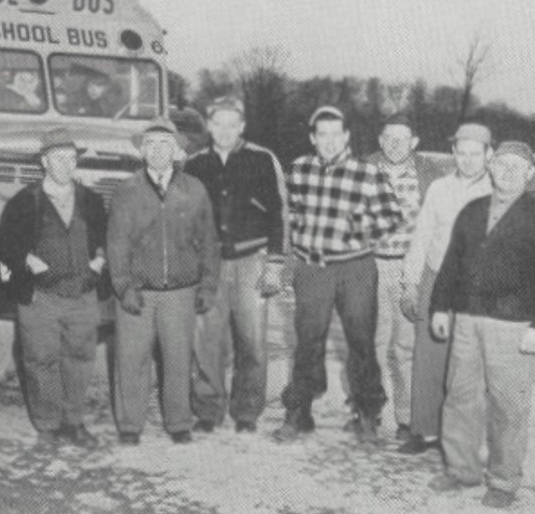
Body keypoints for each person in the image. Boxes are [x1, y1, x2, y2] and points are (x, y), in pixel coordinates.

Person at [427, 141, 535, 508]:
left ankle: (504, 482)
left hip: (513, 323)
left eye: (517, 167)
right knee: (460, 398)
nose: (507, 172)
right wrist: (440, 307)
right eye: (502, 164)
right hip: (466, 318)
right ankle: (460, 469)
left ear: (529, 174)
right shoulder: (472, 211)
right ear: (490, 167)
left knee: (509, 405)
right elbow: (451, 263)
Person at [273, 106, 403, 444]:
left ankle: (367, 415)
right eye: (322, 135)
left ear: (346, 137)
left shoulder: (367, 172)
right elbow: (290, 216)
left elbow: (390, 217)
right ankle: (298, 414)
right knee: (307, 342)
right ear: (313, 138)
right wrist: (292, 259)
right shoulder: (298, 170)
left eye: (336, 134)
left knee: (361, 343)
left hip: (356, 268)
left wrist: (352, 229)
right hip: (313, 268)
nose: (329, 141)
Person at [107, 117, 220, 445]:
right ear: (142, 151)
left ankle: (179, 422)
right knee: (131, 359)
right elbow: (117, 244)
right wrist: (123, 285)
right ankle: (130, 425)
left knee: (178, 358)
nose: (158, 151)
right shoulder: (127, 191)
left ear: (176, 152)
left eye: (165, 145)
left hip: (180, 293)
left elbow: (209, 242)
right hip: (137, 293)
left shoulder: (195, 190)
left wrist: (208, 286)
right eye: (151, 145)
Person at [0, 128, 109, 448]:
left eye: (71, 159)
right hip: (40, 297)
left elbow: (105, 240)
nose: (66, 165)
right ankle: (47, 425)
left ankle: (73, 422)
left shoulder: (91, 200)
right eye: (58, 158)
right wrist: (26, 260)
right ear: (45, 162)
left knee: (80, 358)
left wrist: (100, 260)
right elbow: (5, 246)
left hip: (82, 295)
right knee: (40, 360)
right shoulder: (23, 201)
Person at [184, 96, 288, 434]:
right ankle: (207, 409)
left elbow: (279, 214)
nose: (225, 130)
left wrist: (274, 262)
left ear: (242, 126)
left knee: (252, 341)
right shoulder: (195, 164)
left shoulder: (262, 159)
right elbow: (185, 218)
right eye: (218, 123)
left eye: (232, 124)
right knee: (206, 341)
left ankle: (246, 412)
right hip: (210, 264)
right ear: (209, 126)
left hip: (252, 261)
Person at [397, 123, 494, 454]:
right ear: (453, 153)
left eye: (475, 154)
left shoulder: (497, 192)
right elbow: (422, 237)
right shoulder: (439, 188)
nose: (467, 160)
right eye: (461, 153)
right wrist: (410, 283)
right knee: (428, 357)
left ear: (488, 154)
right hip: (435, 278)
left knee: (469, 361)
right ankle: (424, 431)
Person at [357, 113, 440, 439]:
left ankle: (407, 419)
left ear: (415, 143)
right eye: (389, 138)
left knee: (406, 348)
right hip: (371, 266)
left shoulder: (430, 175)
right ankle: (368, 414)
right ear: (380, 140)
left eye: (402, 139)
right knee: (370, 346)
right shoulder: (361, 169)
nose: (395, 144)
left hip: (411, 270)